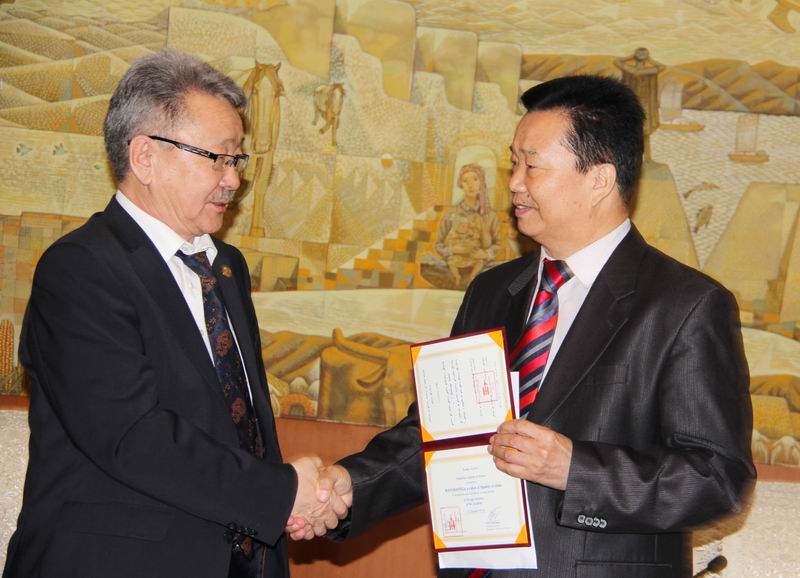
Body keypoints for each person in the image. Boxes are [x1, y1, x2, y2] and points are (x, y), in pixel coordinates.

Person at [292, 75, 755, 577]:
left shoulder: (685, 306)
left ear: (599, 180)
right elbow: (441, 435)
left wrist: (574, 469)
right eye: (512, 163)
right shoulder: (493, 291)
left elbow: (718, 479)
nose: (514, 182)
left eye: (532, 166)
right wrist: (348, 486)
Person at [3, 49, 346, 578]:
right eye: (218, 158)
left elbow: (238, 425)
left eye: (237, 160)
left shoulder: (224, 267)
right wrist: (281, 493)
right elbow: (134, 437)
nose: (233, 181)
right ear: (145, 157)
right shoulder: (80, 269)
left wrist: (287, 507)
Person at [433, 163, 501, 288]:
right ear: (461, 184)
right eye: (465, 181)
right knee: (429, 263)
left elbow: (498, 244)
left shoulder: (491, 216)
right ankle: (459, 279)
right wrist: (452, 250)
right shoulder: (450, 214)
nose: (470, 185)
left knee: (501, 270)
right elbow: (438, 244)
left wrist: (485, 253)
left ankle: (472, 280)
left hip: (480, 264)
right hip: (453, 262)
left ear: (481, 183)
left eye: (475, 179)